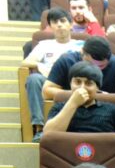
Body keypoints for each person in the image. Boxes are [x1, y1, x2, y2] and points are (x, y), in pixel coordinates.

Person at [44, 62, 115, 150]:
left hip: (104, 158)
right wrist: (73, 103)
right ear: (70, 84)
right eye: (77, 82)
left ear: (97, 88)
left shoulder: (111, 108)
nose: (82, 88)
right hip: (68, 157)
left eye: (88, 83)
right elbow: (49, 135)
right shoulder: (60, 107)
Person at [21, 7, 80, 140]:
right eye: (55, 22)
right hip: (49, 81)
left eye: (62, 21)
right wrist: (41, 65)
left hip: (72, 82)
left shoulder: (80, 45)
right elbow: (25, 62)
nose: (59, 25)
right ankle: (39, 128)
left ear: (71, 24)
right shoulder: (44, 45)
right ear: (50, 26)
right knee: (34, 79)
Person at [42, 36, 115, 100]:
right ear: (82, 53)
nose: (96, 70)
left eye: (101, 66)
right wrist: (77, 94)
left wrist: (104, 97)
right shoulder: (66, 61)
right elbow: (46, 92)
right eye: (92, 65)